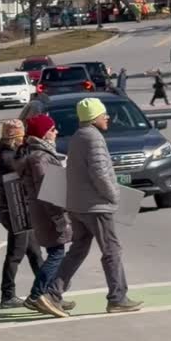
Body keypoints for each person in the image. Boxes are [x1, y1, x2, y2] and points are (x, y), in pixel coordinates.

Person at [36, 98, 143, 317]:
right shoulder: (94, 138)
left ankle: (52, 294)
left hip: (79, 204)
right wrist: (114, 196)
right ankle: (117, 298)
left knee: (78, 249)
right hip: (96, 205)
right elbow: (100, 172)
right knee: (111, 250)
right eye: (104, 114)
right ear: (95, 118)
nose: (107, 117)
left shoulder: (79, 136)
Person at [16, 115, 75, 313]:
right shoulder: (40, 157)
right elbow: (49, 191)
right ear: (43, 133)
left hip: (44, 212)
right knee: (56, 254)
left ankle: (51, 294)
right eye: (52, 129)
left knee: (55, 252)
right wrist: (59, 217)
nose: (56, 132)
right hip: (48, 214)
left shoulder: (39, 154)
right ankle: (37, 295)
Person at [0, 119, 43, 309]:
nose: (24, 140)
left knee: (35, 252)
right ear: (15, 137)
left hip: (18, 210)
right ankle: (8, 295)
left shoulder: (7, 154)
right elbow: (21, 175)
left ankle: (46, 289)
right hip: (15, 211)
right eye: (22, 137)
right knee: (15, 253)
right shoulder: (7, 157)